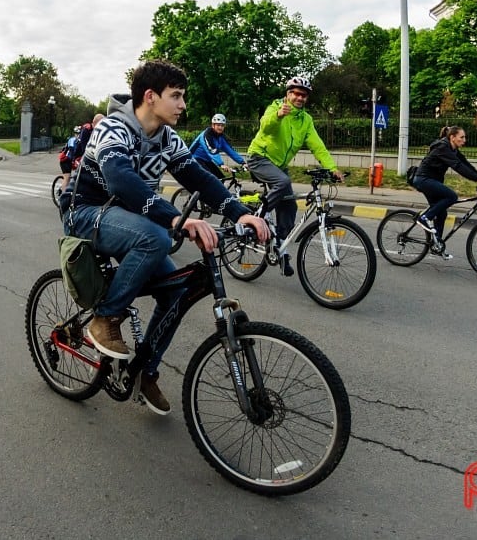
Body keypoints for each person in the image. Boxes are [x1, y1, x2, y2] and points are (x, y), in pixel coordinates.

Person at [60, 60, 268, 415]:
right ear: (150, 97)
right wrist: (177, 220)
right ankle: (105, 318)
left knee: (175, 291)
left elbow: (200, 179)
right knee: (155, 236)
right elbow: (120, 180)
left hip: (127, 218)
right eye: (176, 96)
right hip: (86, 213)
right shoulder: (113, 128)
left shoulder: (168, 138)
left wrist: (241, 212)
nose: (183, 105)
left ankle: (144, 370)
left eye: (183, 96)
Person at [246, 77, 344, 276]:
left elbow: (317, 145)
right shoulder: (275, 107)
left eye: (303, 95)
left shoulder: (305, 120)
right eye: (296, 93)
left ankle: (279, 250)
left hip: (279, 165)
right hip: (259, 158)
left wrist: (332, 167)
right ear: (288, 94)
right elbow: (265, 126)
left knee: (289, 206)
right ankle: (261, 214)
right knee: (283, 182)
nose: (299, 97)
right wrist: (279, 116)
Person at [412, 125, 477, 260]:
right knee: (451, 196)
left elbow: (466, 164)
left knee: (442, 212)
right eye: (461, 137)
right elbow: (458, 167)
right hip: (423, 179)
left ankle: (436, 245)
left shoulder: (453, 149)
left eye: (464, 137)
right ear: (452, 137)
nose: (464, 140)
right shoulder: (442, 147)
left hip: (433, 181)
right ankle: (424, 218)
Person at [189, 113, 247, 179]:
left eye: (222, 125)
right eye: (218, 125)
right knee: (209, 178)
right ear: (213, 125)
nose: (220, 127)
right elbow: (212, 151)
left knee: (221, 178)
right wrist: (221, 164)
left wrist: (242, 162)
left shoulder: (221, 137)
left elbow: (230, 151)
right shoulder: (206, 135)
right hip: (194, 159)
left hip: (207, 160)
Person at [57, 126, 80, 192]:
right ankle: (63, 196)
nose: (78, 135)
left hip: (71, 160)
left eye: (79, 134)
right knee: (67, 178)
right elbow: (72, 151)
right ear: (75, 133)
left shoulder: (79, 141)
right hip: (65, 160)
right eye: (77, 133)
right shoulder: (72, 140)